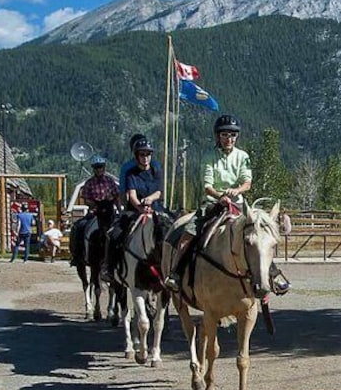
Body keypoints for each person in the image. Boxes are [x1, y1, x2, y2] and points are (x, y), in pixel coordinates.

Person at [164, 114, 291, 294]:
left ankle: (272, 274)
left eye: (232, 135)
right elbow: (207, 186)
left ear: (236, 137)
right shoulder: (209, 156)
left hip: (238, 205)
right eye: (224, 135)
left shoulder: (243, 156)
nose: (228, 139)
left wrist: (237, 191)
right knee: (188, 234)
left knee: (259, 237)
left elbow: (247, 182)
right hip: (212, 204)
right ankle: (175, 273)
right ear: (218, 136)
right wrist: (220, 196)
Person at [104, 138, 169, 279]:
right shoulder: (131, 173)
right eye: (142, 154)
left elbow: (159, 192)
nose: (145, 158)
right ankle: (109, 268)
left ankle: (174, 270)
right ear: (136, 156)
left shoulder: (156, 170)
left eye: (148, 154)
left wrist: (150, 199)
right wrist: (141, 208)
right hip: (135, 210)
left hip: (156, 209)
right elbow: (131, 195)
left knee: (173, 230)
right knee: (114, 233)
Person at [83, 154, 120, 278]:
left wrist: (119, 209)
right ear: (94, 169)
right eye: (97, 167)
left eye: (101, 167)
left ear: (104, 168)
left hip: (109, 211)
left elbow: (117, 196)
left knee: (120, 230)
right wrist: (95, 204)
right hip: (95, 210)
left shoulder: (110, 181)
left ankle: (119, 256)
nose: (99, 169)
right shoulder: (89, 183)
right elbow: (86, 199)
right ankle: (80, 254)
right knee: (80, 227)